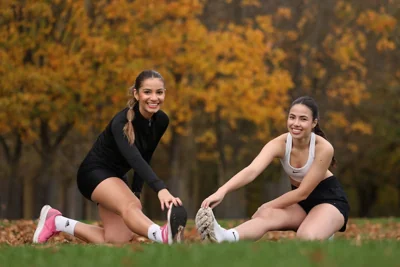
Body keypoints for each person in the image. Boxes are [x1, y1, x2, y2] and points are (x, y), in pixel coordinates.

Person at [33, 70, 187, 245]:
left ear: (164, 93)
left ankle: (57, 222)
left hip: (116, 177)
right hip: (93, 173)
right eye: (147, 92)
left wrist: (136, 191)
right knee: (131, 206)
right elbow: (134, 158)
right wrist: (160, 188)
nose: (154, 98)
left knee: (117, 239)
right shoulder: (120, 123)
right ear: (136, 94)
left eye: (159, 92)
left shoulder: (161, 121)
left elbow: (145, 156)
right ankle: (161, 235)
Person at [195, 96, 349, 242]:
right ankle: (225, 237)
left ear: (314, 123)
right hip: (301, 204)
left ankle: (324, 230)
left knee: (306, 238)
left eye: (303, 119)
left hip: (330, 201)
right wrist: (221, 191)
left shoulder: (324, 148)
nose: (295, 123)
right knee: (266, 215)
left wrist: (267, 205)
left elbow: (303, 192)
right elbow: (252, 171)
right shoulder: (279, 144)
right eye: (292, 117)